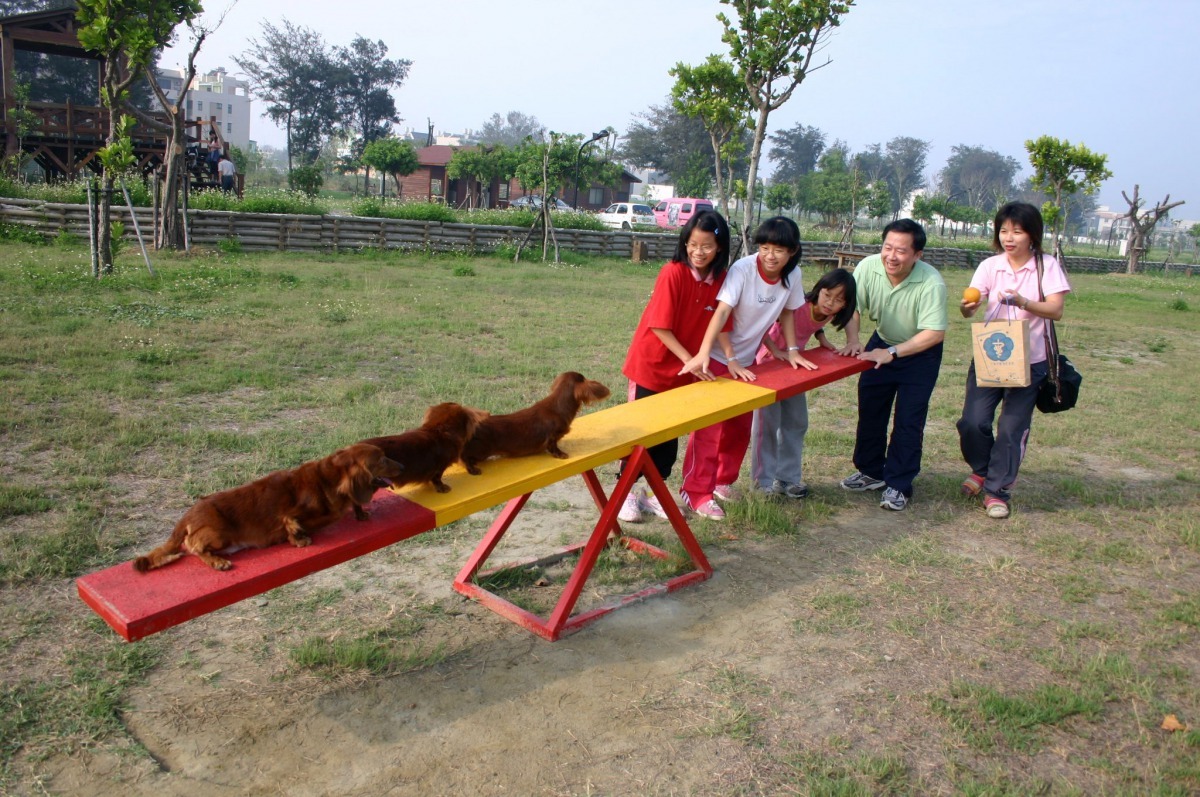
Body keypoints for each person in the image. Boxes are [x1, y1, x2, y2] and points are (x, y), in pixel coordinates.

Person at [678, 216, 812, 520]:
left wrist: (791, 350)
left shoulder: (793, 275)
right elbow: (722, 312)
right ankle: (695, 491)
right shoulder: (743, 269)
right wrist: (707, 353)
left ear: (792, 251)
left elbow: (787, 312)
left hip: (748, 362)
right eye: (764, 248)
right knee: (710, 428)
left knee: (739, 427)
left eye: (778, 250)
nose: (770, 256)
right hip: (717, 358)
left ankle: (722, 481)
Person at [617, 210, 732, 523]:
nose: (698, 252)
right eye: (692, 244)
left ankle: (652, 493)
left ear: (719, 247)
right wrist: (689, 361)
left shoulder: (721, 280)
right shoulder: (673, 272)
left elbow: (723, 323)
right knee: (642, 432)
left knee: (668, 437)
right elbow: (659, 326)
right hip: (652, 366)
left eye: (706, 246)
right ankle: (625, 493)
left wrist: (730, 359)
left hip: (684, 372)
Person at [957, 202, 1070, 519]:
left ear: (1032, 234)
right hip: (990, 357)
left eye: (1017, 231)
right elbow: (970, 305)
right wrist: (967, 307)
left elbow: (1056, 310)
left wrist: (1023, 301)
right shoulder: (990, 266)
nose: (1009, 237)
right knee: (972, 422)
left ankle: (997, 491)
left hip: (1030, 362)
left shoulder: (1046, 266)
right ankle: (982, 469)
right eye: (1004, 230)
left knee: (1011, 428)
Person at [840, 219, 948, 511]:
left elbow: (934, 333)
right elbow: (853, 306)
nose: (891, 256)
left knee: (908, 420)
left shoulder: (931, 282)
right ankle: (871, 471)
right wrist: (854, 339)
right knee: (871, 408)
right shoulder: (868, 267)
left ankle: (899, 484)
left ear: (917, 255)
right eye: (887, 247)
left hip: (920, 351)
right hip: (882, 342)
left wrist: (893, 353)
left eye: (901, 251)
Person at [751, 267, 857, 499]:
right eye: (827, 295)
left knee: (797, 421)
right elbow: (761, 323)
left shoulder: (828, 313)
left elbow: (817, 324)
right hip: (767, 367)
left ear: (845, 305)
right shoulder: (798, 305)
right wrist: (775, 350)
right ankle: (762, 482)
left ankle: (787, 478)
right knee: (767, 425)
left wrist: (825, 338)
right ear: (819, 290)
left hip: (794, 368)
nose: (830, 303)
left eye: (839, 300)